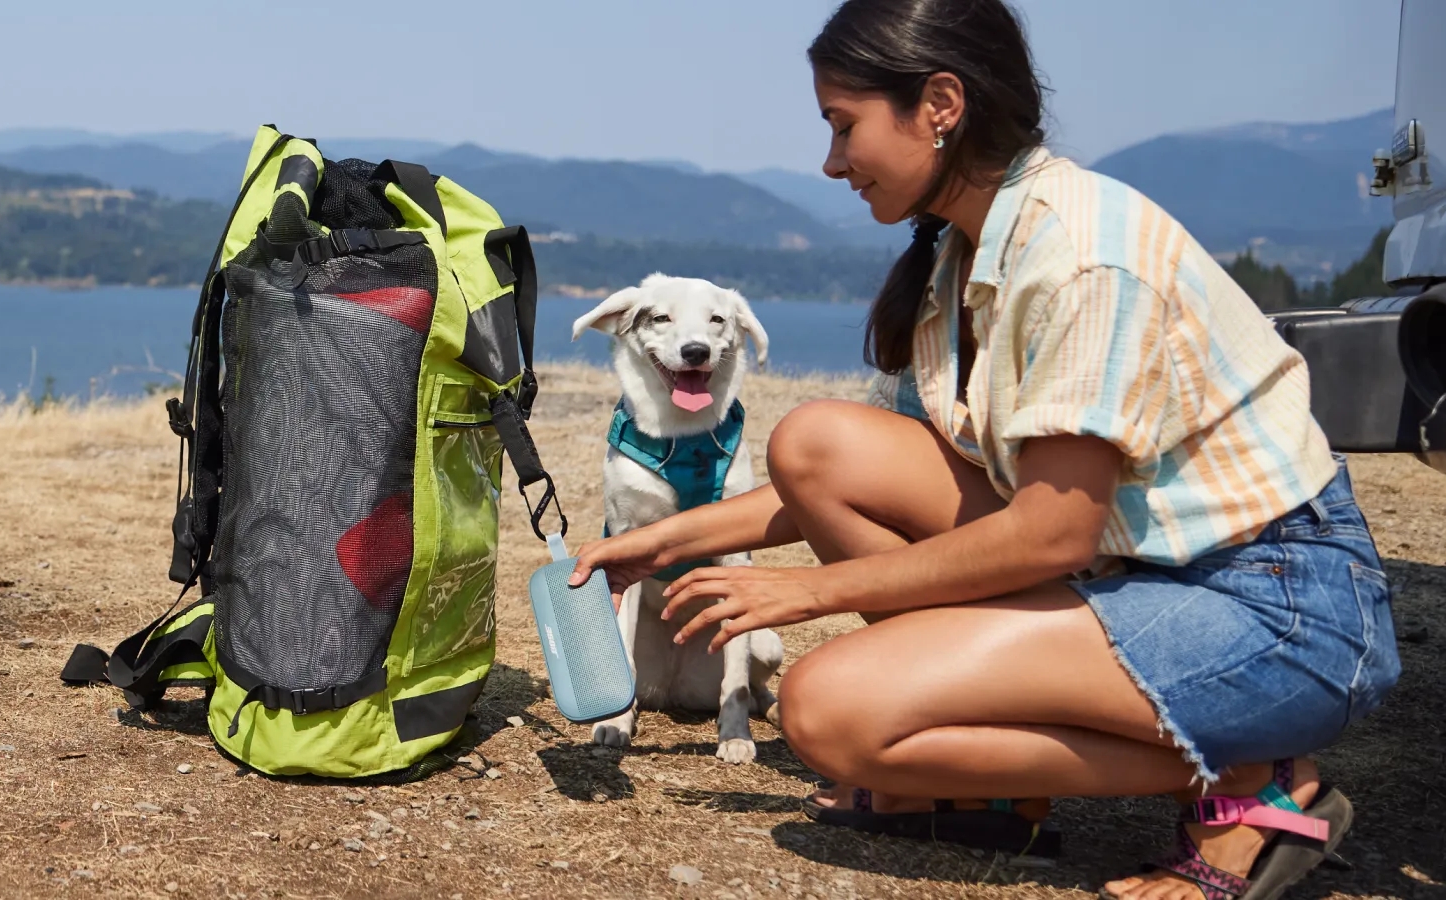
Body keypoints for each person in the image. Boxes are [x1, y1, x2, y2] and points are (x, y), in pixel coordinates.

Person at [569, 1, 1401, 897]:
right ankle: (994, 796)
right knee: (815, 447)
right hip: (1143, 573)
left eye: (844, 126)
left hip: (1275, 609)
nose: (832, 161)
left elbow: (1051, 535)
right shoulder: (960, 257)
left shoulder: (1078, 252)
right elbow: (857, 485)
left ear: (940, 104)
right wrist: (665, 540)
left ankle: (1255, 780)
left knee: (828, 711)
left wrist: (806, 592)